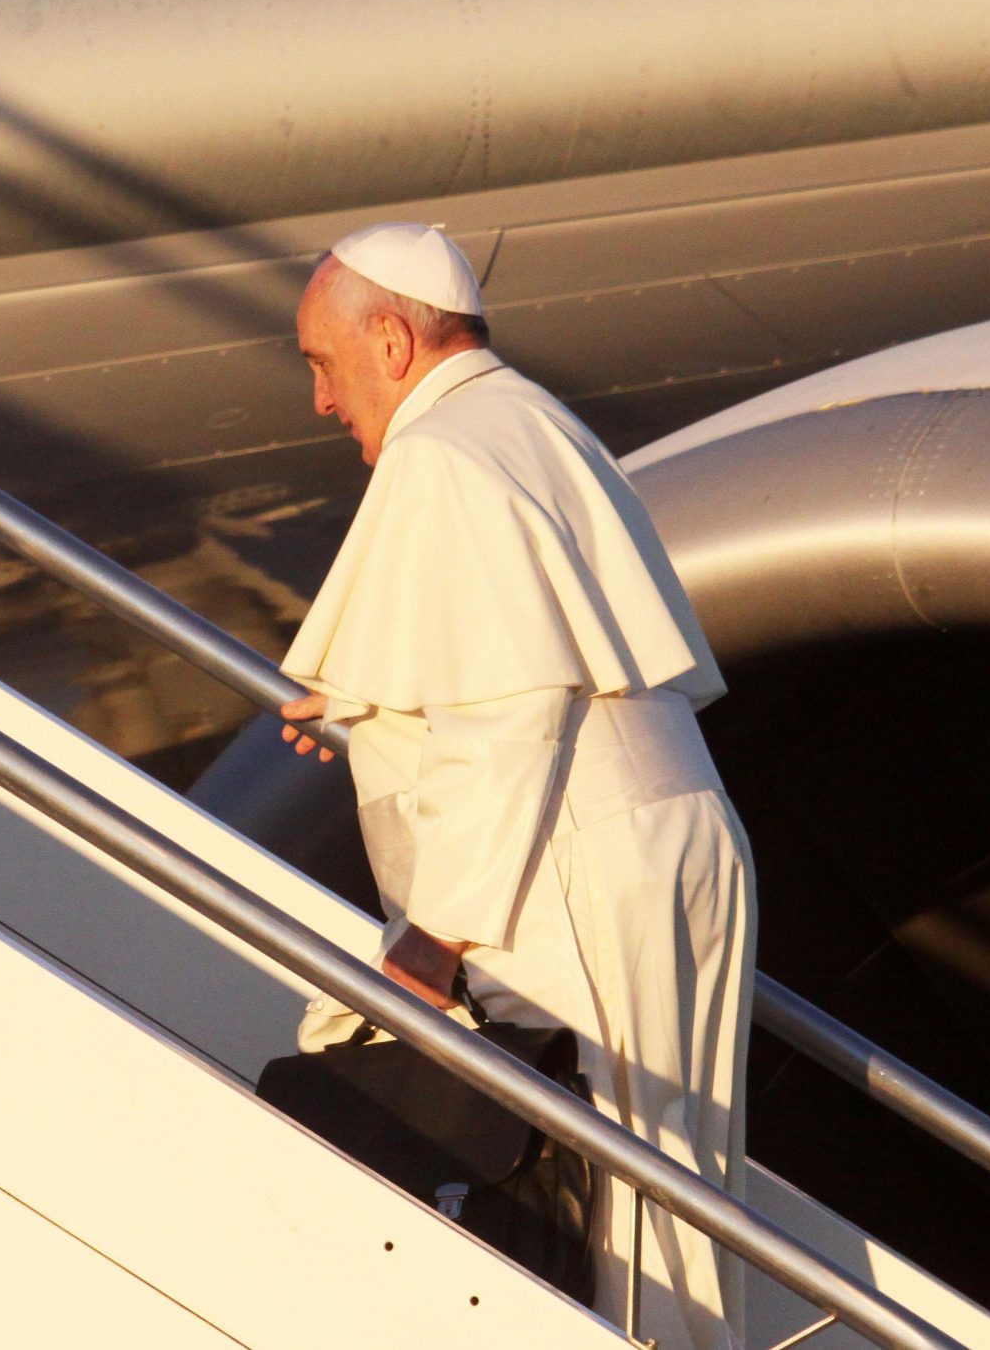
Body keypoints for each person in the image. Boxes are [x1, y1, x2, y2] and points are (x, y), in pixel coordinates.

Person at [278, 221, 755, 1350]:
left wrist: (432, 938)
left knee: (630, 1221)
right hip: (668, 829)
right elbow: (517, 653)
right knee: (685, 1206)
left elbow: (507, 714)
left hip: (588, 857)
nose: (319, 399)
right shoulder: (528, 418)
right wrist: (356, 697)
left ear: (391, 339)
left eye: (322, 362)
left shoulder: (439, 453)